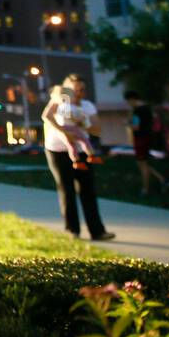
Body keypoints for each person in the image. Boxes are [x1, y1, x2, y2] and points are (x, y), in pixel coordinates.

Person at [41, 74, 114, 240]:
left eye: (82, 89)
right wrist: (65, 132)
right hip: (58, 151)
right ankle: (72, 231)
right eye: (76, 89)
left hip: (81, 151)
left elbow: (97, 130)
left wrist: (82, 122)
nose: (80, 93)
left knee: (88, 189)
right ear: (67, 89)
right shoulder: (61, 100)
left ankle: (97, 231)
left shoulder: (87, 106)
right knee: (67, 189)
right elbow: (46, 116)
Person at [124, 90, 169, 196]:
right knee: (142, 163)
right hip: (148, 137)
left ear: (132, 99)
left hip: (140, 139)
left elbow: (136, 127)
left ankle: (145, 189)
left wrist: (128, 124)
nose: (128, 104)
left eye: (128, 101)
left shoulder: (137, 110)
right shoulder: (147, 108)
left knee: (142, 164)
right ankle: (162, 180)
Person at [50, 84, 102, 170]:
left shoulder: (61, 106)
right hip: (72, 127)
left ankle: (76, 161)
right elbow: (70, 117)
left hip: (64, 128)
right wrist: (78, 121)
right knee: (84, 140)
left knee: (71, 145)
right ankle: (91, 155)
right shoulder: (66, 105)